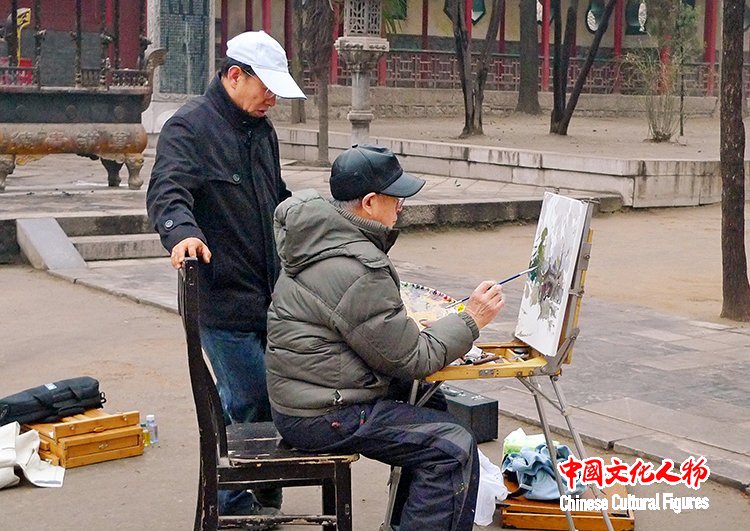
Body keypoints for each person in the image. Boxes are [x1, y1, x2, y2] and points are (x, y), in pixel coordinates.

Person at [265, 144, 506, 530]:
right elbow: (412, 359)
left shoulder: (322, 239)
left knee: (430, 404)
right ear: (370, 202)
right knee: (452, 446)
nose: (401, 207)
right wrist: (471, 318)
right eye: (396, 198)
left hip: (307, 395)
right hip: (322, 413)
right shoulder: (355, 267)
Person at [146, 30, 305, 518]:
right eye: (267, 87)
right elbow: (167, 190)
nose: (273, 99)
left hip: (270, 293)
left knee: (271, 396)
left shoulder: (262, 130)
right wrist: (182, 234)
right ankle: (235, 505)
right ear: (235, 75)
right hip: (221, 297)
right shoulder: (189, 127)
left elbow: (275, 197)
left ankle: (262, 491)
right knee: (250, 396)